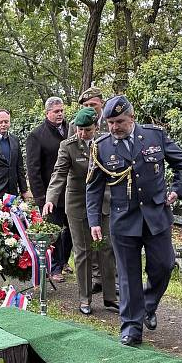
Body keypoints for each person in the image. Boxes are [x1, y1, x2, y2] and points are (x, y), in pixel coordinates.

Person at [87, 96, 182, 347]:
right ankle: (131, 328)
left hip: (156, 215)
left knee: (164, 265)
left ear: (132, 118)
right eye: (110, 122)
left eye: (119, 121)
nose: (114, 127)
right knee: (128, 276)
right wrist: (94, 221)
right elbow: (93, 187)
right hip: (123, 219)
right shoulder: (101, 146)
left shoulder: (155, 136)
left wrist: (177, 190)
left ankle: (148, 305)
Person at [44, 107, 118, 315]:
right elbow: (59, 174)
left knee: (106, 249)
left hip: (103, 203)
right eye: (79, 129)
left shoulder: (105, 143)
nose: (82, 133)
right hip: (78, 204)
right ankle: (85, 299)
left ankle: (110, 297)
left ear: (96, 127)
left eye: (87, 130)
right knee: (83, 251)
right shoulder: (68, 146)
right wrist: (51, 199)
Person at [27, 96, 73, 283]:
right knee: (54, 232)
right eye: (56, 111)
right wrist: (40, 197)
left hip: (72, 192)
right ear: (47, 113)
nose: (60, 114)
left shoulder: (71, 130)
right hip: (50, 194)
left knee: (72, 230)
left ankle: (64, 261)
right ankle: (55, 267)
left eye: (61, 110)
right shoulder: (37, 135)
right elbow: (33, 169)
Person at [78, 86, 109, 293]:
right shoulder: (78, 123)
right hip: (88, 191)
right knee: (90, 239)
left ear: (101, 104)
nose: (90, 108)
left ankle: (111, 281)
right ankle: (96, 278)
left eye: (93, 104)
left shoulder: (111, 121)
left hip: (110, 192)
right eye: (86, 105)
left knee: (108, 242)